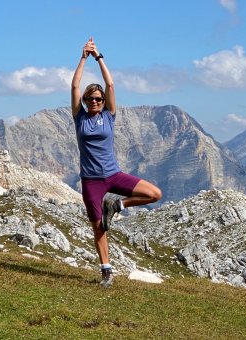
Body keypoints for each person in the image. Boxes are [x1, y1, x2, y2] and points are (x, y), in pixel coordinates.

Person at [71, 37, 162, 288]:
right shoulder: (79, 118)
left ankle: (118, 205)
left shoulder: (109, 116)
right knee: (98, 226)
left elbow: (110, 84)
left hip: (113, 174)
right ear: (86, 101)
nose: (95, 103)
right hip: (91, 180)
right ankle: (106, 270)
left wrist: (98, 57)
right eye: (91, 99)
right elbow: (75, 85)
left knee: (154, 194)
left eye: (99, 99)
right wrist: (82, 58)